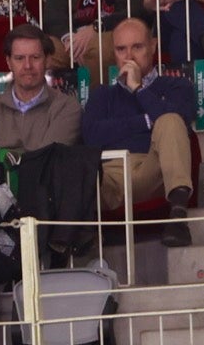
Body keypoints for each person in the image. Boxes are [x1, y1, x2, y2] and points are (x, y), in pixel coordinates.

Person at [79, 17, 195, 246]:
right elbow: (91, 135)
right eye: (121, 49)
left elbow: (178, 123)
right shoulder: (102, 94)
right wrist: (145, 120)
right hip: (109, 177)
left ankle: (179, 216)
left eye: (137, 47)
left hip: (154, 170)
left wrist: (137, 89)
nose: (129, 56)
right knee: (75, 171)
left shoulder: (177, 86)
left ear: (153, 46)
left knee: (170, 120)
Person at [0, 23, 82, 153]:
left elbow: (47, 159)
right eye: (19, 58)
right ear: (9, 62)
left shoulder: (67, 107)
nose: (27, 66)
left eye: (35, 57)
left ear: (47, 60)